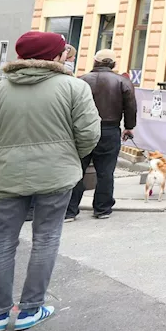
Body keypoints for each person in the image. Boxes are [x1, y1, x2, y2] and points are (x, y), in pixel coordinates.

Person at [0, 31, 100, 331]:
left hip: (8, 177)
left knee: (2, 243)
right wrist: (70, 157)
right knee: (45, 239)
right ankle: (30, 309)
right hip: (57, 176)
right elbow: (89, 134)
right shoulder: (74, 88)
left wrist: (0, 160)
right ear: (56, 57)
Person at [66, 50, 136, 221]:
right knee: (106, 171)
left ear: (95, 61)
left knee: (77, 170)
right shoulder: (122, 81)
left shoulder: (80, 80)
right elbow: (131, 107)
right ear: (113, 64)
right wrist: (128, 127)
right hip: (109, 129)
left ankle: (70, 210)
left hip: (81, 129)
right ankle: (102, 208)